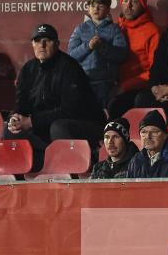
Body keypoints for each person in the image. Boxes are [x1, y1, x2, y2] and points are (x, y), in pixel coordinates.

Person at [7, 24, 105, 169]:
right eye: (38, 41)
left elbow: (70, 110)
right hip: (45, 124)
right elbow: (22, 103)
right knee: (10, 129)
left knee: (58, 127)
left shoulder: (70, 67)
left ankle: (71, 171)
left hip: (84, 124)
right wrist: (16, 117)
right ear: (32, 44)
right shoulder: (28, 69)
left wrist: (32, 121)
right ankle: (18, 180)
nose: (42, 45)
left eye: (47, 40)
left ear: (57, 44)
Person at [68, 0, 129, 108]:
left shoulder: (114, 29)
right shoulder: (80, 29)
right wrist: (88, 46)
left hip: (106, 84)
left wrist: (103, 47)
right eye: (93, 5)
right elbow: (71, 55)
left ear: (107, 10)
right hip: (84, 82)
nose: (96, 8)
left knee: (104, 115)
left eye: (100, 6)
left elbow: (121, 54)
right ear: (88, 9)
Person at [110, 0, 161, 117]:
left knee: (117, 105)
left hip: (138, 88)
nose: (129, 6)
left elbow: (154, 70)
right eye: (126, 0)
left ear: (143, 5)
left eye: (135, 1)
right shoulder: (116, 28)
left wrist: (125, 86)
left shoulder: (152, 31)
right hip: (112, 86)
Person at [127, 109, 168, 178]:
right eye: (144, 132)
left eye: (154, 132)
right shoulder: (136, 160)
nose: (148, 136)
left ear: (165, 135)